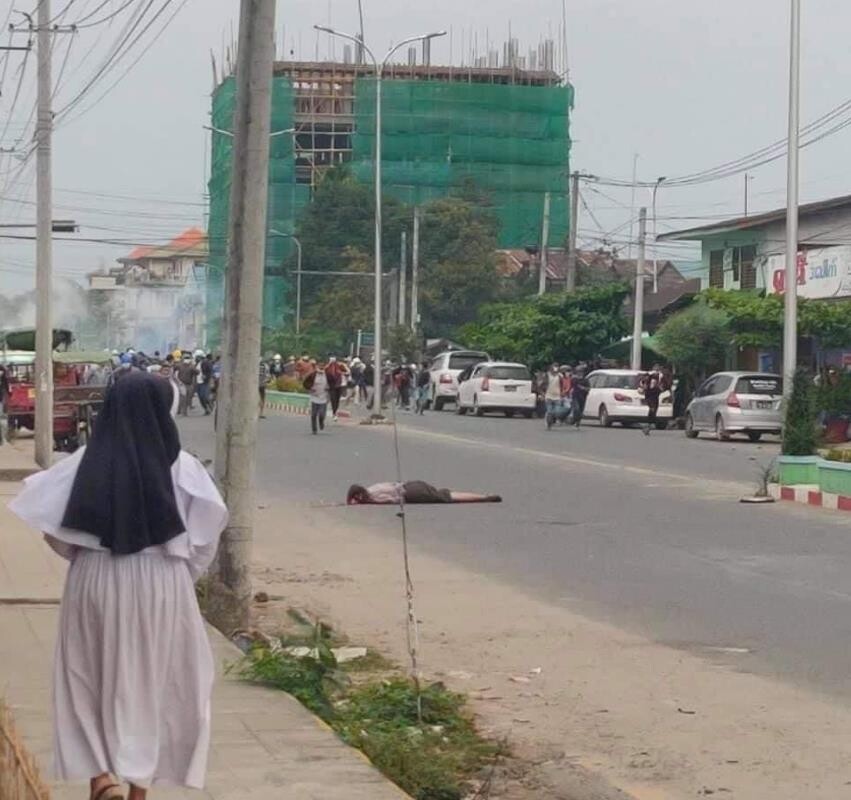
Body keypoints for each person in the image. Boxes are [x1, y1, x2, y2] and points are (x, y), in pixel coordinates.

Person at [9, 371, 228, 800]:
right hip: (163, 582)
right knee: (156, 682)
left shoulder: (83, 463)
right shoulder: (184, 469)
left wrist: (89, 555)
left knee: (88, 676)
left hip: (94, 579)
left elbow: (54, 532)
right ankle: (138, 790)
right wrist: (180, 577)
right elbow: (205, 538)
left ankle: (100, 779)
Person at [347, 481, 501, 505]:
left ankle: (483, 498)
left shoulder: (374, 496)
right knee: (448, 493)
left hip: (412, 493)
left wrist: (369, 502)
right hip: (412, 484)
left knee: (449, 497)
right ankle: (483, 496)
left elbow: (393, 500)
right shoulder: (373, 487)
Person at [303, 359, 329, 434]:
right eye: (320, 365)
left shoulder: (327, 374)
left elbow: (333, 382)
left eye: (323, 366)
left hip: (323, 396)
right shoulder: (313, 374)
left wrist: (329, 387)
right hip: (314, 396)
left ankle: (321, 422)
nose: (321, 367)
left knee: (321, 414)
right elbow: (305, 383)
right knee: (314, 414)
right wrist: (310, 388)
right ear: (317, 366)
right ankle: (314, 429)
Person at [640, 371, 662, 435]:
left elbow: (659, 390)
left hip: (655, 399)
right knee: (652, 411)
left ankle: (648, 427)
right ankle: (647, 426)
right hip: (650, 399)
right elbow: (645, 389)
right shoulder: (646, 382)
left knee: (653, 413)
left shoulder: (656, 383)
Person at [544, 363, 563, 430]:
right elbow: (544, 384)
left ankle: (552, 420)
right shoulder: (548, 375)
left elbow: (562, 384)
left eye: (557, 367)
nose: (555, 368)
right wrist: (543, 393)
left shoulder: (560, 376)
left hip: (557, 396)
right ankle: (549, 424)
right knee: (549, 411)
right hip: (549, 395)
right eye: (554, 366)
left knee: (557, 412)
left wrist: (562, 392)